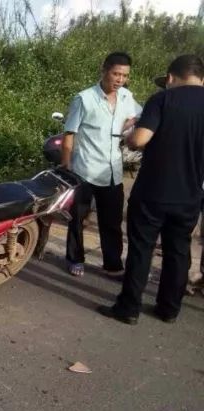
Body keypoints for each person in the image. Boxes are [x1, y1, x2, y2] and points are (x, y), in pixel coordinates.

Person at [97, 54, 204, 324]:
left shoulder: (163, 99)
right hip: (190, 195)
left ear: (170, 78)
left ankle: (129, 308)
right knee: (179, 251)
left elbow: (141, 139)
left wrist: (130, 137)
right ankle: (169, 309)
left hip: (153, 192)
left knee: (141, 249)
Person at [62, 52, 141, 278]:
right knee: (78, 218)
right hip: (84, 170)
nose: (119, 79)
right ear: (104, 70)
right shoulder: (84, 98)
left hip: (112, 171)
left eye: (124, 75)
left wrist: (129, 124)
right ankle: (75, 259)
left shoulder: (127, 97)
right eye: (116, 73)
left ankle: (112, 263)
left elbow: (141, 116)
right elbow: (69, 134)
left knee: (112, 221)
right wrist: (65, 166)